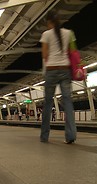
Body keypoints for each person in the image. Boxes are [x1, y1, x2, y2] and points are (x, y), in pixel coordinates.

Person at [39, 11, 77, 144]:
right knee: (67, 103)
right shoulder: (68, 33)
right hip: (65, 70)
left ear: (49, 22)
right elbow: (73, 52)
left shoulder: (46, 34)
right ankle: (71, 135)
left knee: (48, 103)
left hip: (51, 70)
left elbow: (44, 55)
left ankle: (44, 136)